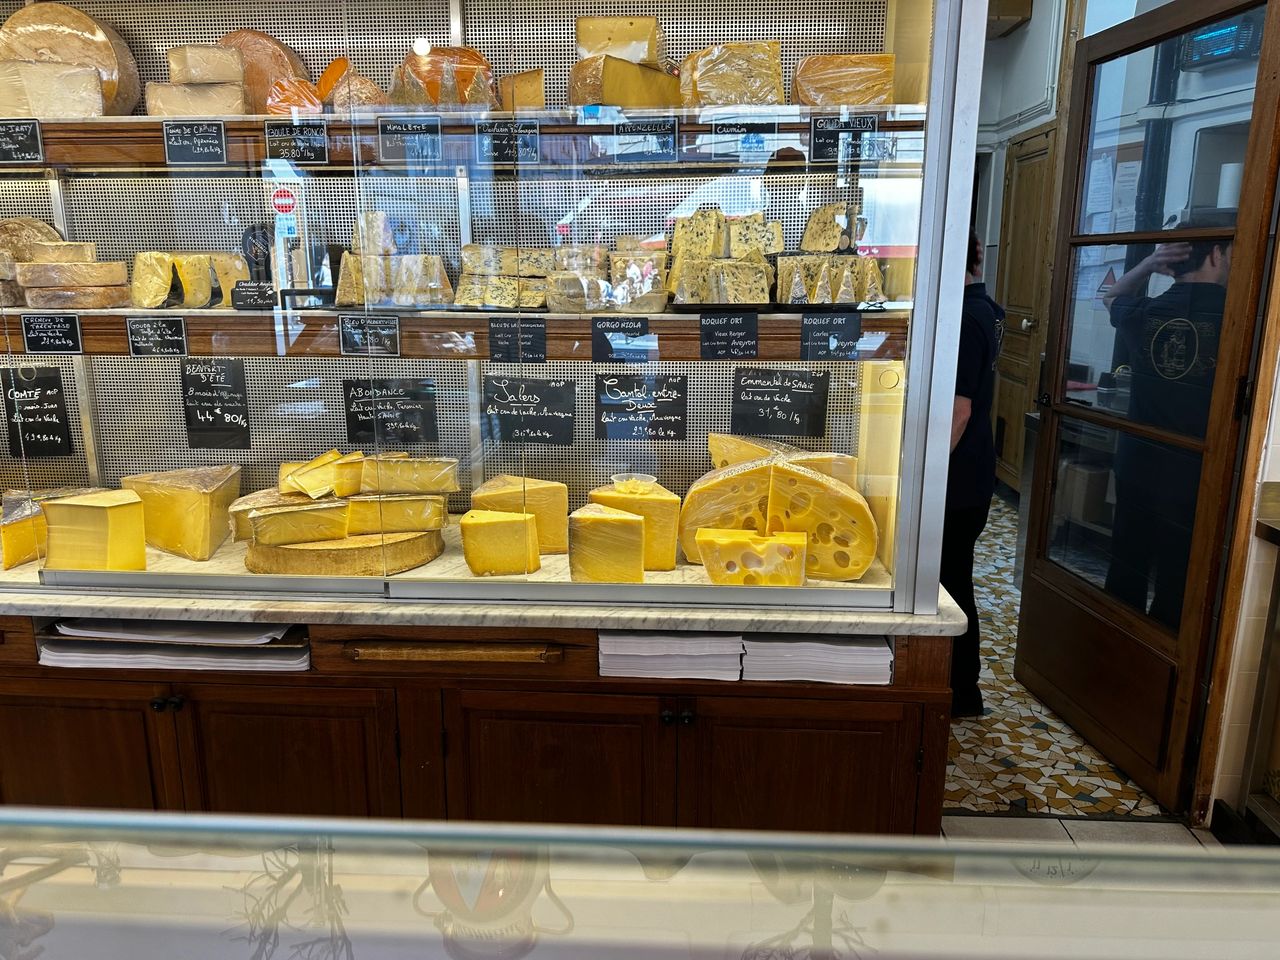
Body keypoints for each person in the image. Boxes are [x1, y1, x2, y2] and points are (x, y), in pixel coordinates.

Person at [1102, 222, 1231, 629]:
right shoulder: (1235, 318)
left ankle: (1115, 642)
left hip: (1139, 460)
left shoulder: (1148, 311)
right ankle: (1161, 648)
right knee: (1179, 574)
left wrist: (1148, 265)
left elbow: (1112, 296)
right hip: (1194, 471)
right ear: (1216, 255)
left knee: (1128, 560)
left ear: (1170, 264)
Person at [942, 232, 1005, 717]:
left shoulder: (963, 317)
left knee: (952, 583)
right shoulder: (986, 308)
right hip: (974, 472)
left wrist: (923, 475)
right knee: (954, 576)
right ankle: (962, 688)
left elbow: (958, 412)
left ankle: (962, 691)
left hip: (958, 480)